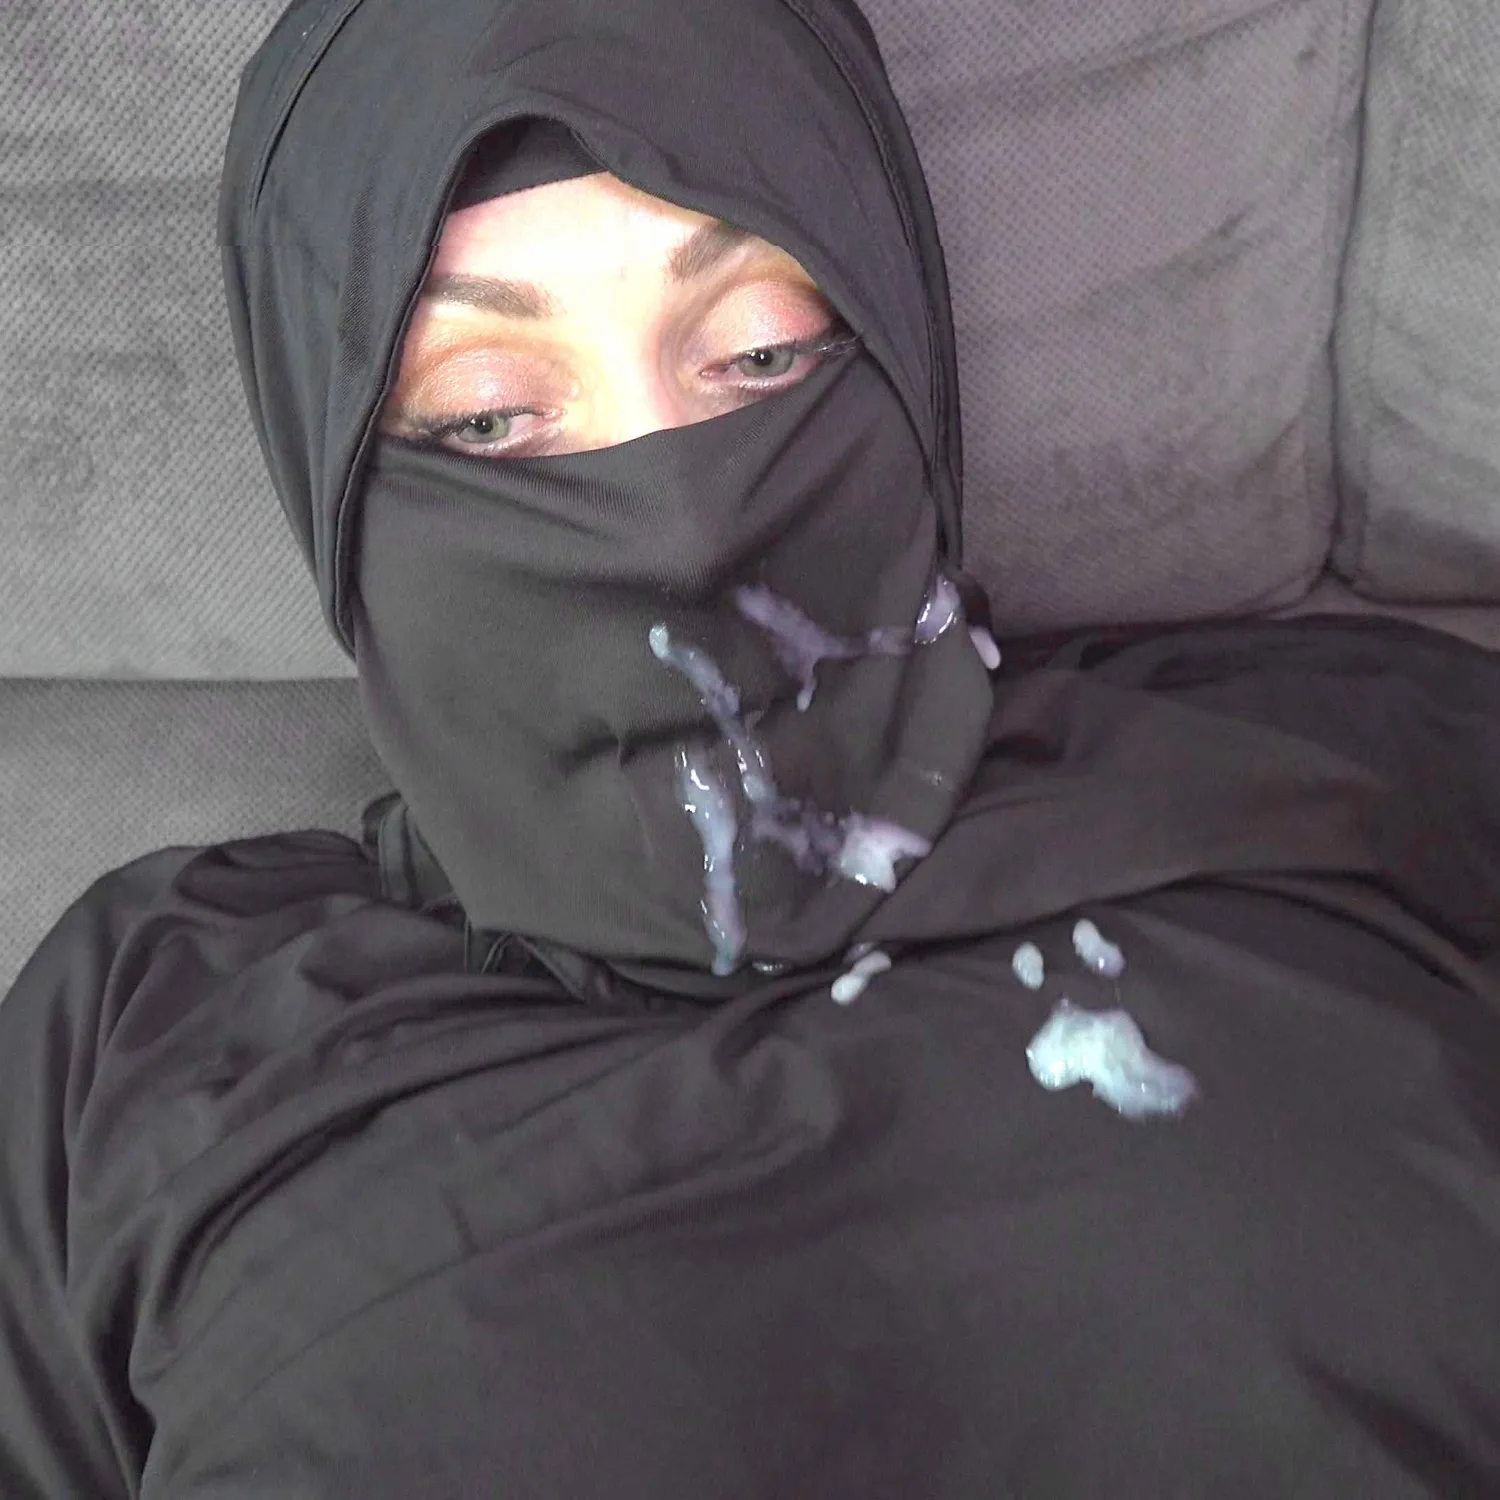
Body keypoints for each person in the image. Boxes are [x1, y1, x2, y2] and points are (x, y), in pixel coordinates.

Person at [3, 0, 1499, 1493]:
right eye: (487, 418)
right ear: (330, 476)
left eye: (762, 353)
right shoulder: (148, 1016)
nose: (680, 523)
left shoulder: (1335, 752)